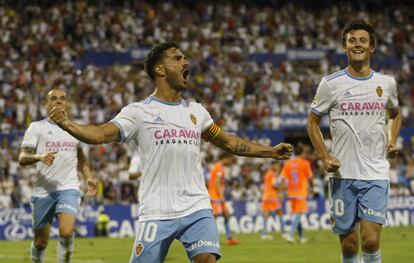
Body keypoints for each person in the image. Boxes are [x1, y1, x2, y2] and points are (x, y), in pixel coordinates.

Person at [49, 42, 293, 263]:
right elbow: (100, 135)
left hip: (196, 206)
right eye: (177, 58)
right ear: (160, 70)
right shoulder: (138, 112)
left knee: (207, 258)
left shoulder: (196, 111)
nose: (185, 62)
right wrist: (67, 124)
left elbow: (229, 142)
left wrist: (270, 151)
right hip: (157, 210)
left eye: (184, 57)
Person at [307, 19, 401, 263]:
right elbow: (312, 122)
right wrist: (324, 156)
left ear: (372, 47)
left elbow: (396, 113)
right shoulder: (330, 84)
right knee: (349, 247)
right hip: (343, 175)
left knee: (370, 241)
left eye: (362, 40)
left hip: (375, 173)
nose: (357, 44)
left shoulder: (386, 83)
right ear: (345, 46)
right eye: (352, 41)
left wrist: (392, 139)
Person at [19, 88, 97, 263]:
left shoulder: (75, 128)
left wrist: (89, 178)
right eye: (53, 99)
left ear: (67, 103)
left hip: (68, 188)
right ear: (47, 105)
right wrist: (39, 156)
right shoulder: (36, 128)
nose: (59, 101)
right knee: (40, 243)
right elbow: (22, 158)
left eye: (62, 98)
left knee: (66, 232)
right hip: (42, 192)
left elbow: (82, 159)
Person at [280, 145, 313, 244]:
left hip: (291, 192)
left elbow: (282, 179)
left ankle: (302, 237)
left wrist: (281, 192)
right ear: (302, 153)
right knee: (298, 214)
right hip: (301, 192)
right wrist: (312, 187)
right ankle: (290, 235)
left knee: (297, 214)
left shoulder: (288, 164)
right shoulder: (305, 163)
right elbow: (310, 177)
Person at [208, 152, 239, 245]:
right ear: (225, 158)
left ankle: (229, 238)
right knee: (214, 218)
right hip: (216, 196)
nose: (231, 162)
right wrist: (221, 196)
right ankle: (210, 240)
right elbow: (217, 183)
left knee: (226, 214)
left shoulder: (219, 167)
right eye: (230, 160)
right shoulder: (219, 168)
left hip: (217, 196)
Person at [260, 161, 285, 240]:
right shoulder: (272, 174)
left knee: (266, 215)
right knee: (280, 212)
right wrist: (280, 190)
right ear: (273, 165)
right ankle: (283, 232)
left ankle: (264, 234)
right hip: (272, 196)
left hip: (266, 196)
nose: (278, 167)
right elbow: (274, 185)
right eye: (277, 165)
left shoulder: (268, 173)